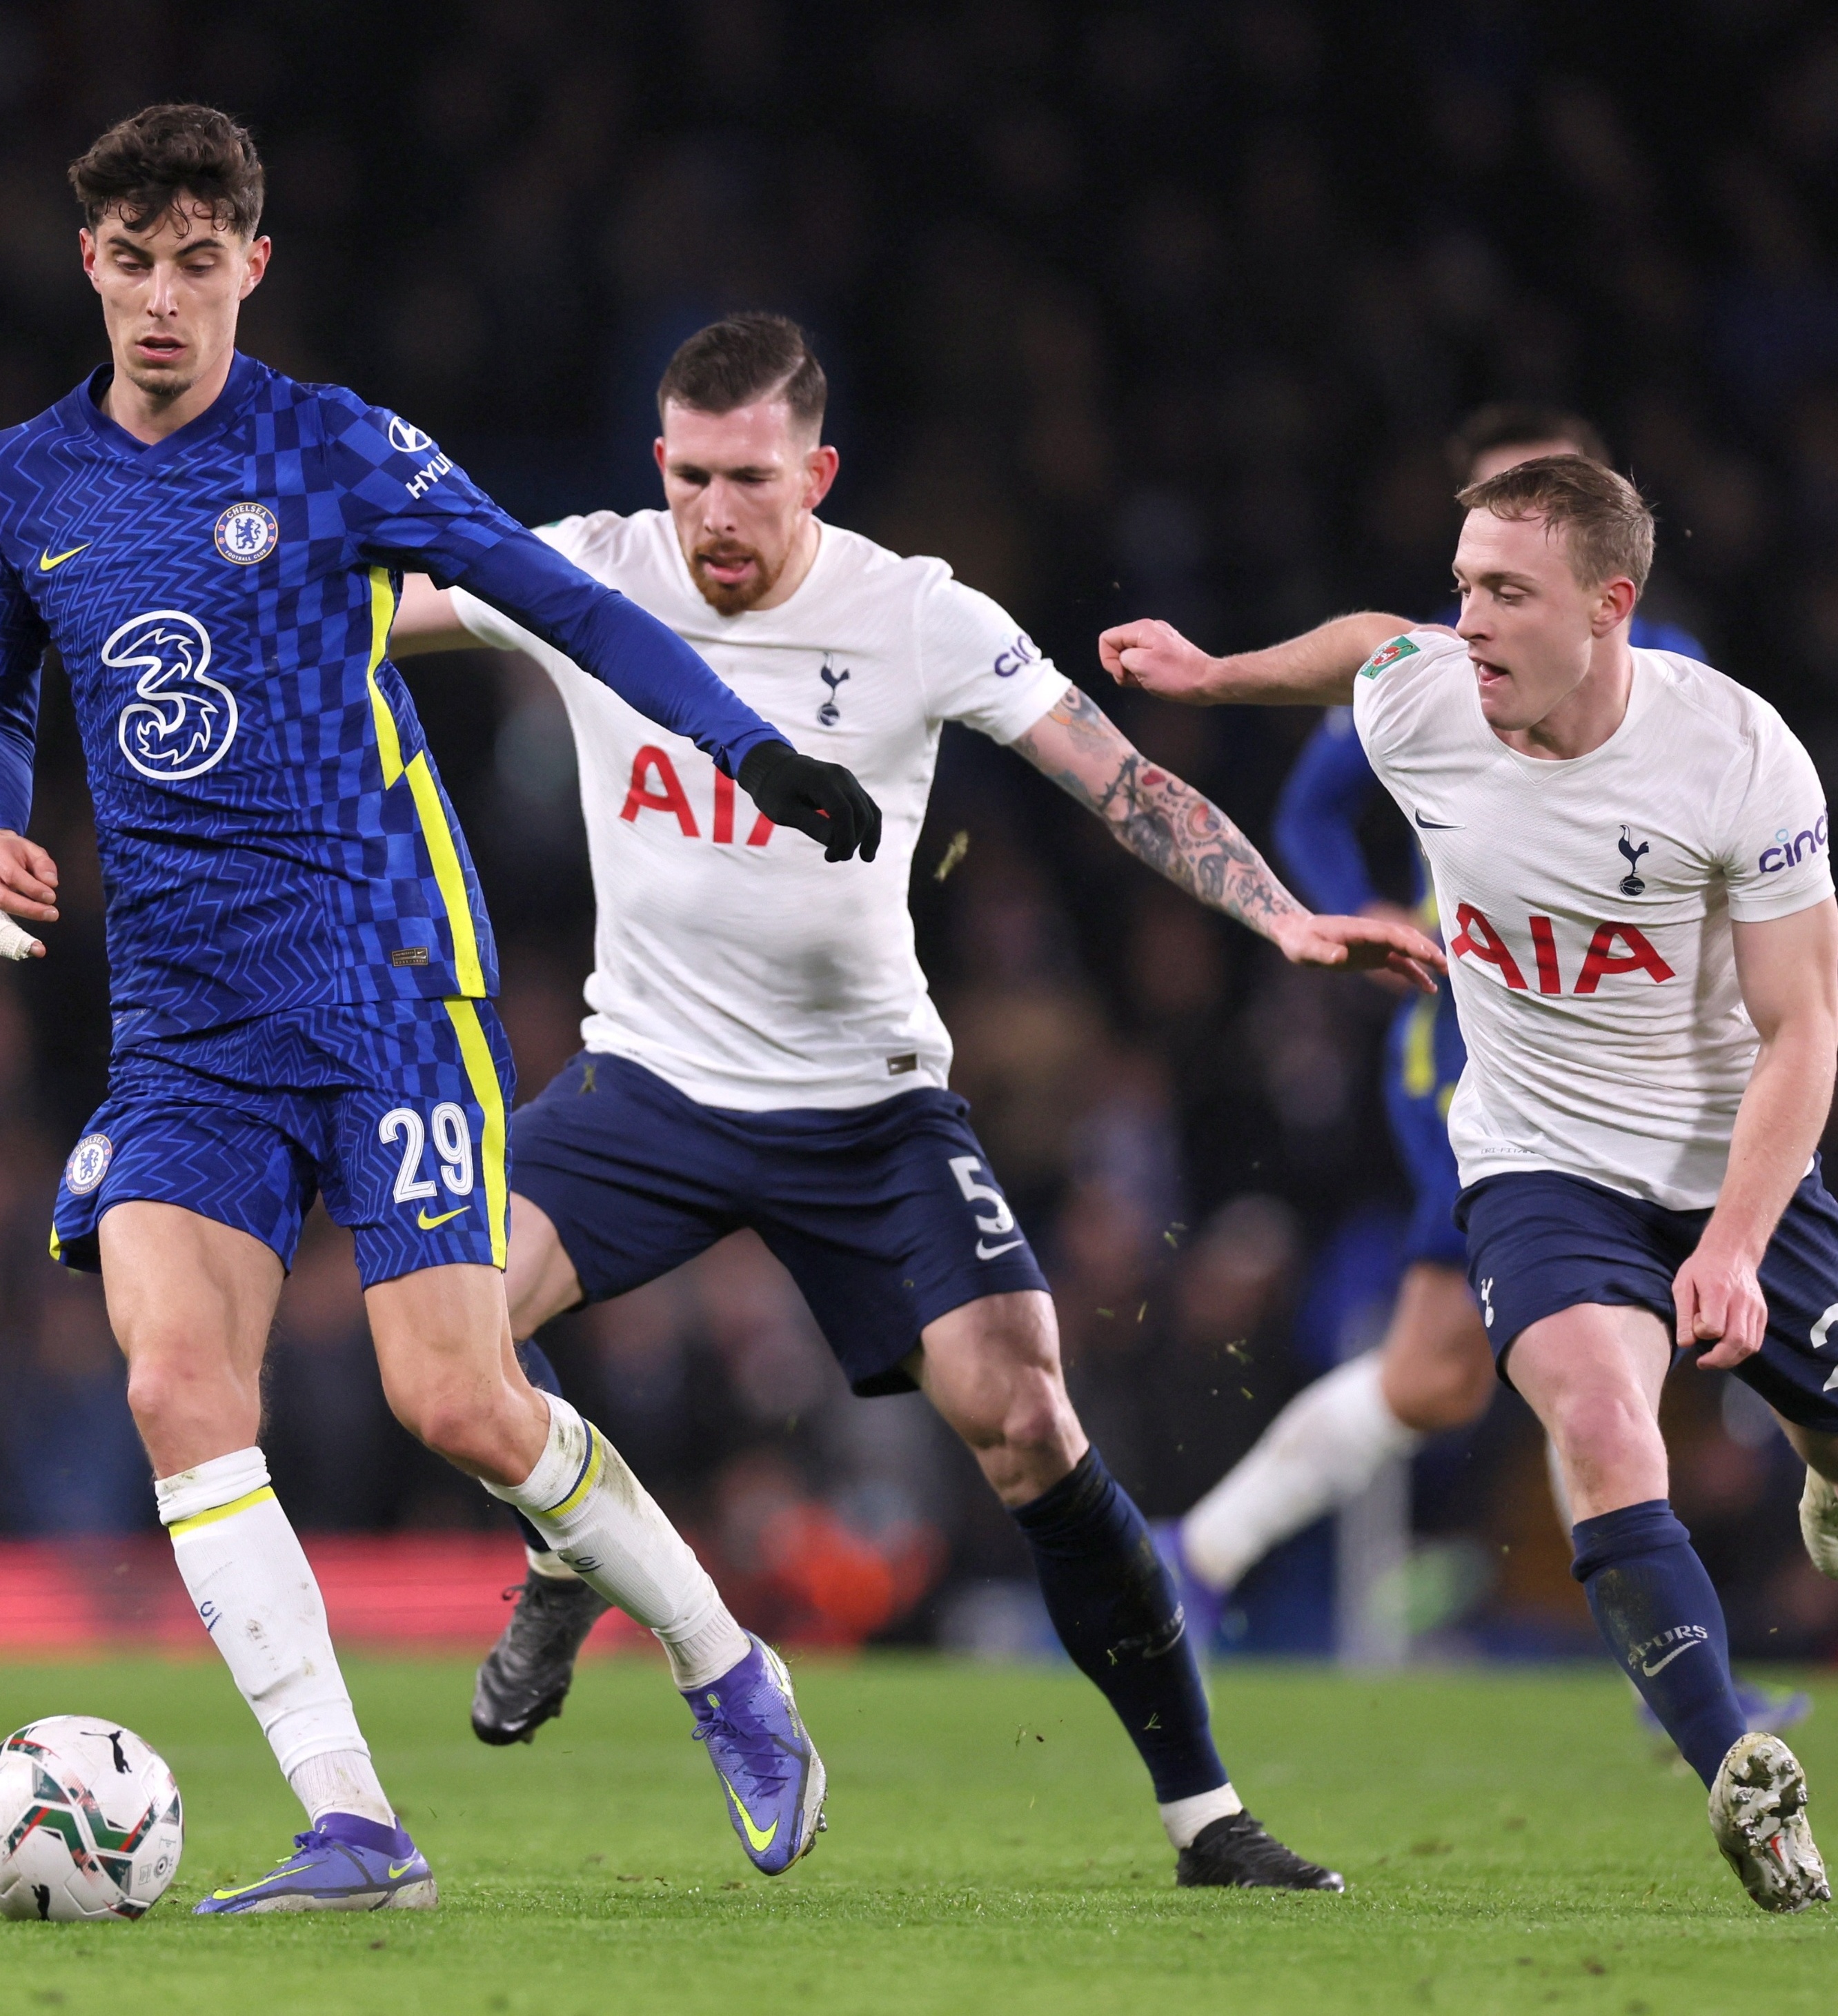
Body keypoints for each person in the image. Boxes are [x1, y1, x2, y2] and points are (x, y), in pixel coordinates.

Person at [0, 109, 884, 1913]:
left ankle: (726, 1666)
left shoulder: (332, 446)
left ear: (252, 267)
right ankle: (354, 1823)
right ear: (91, 266)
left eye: (197, 261)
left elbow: (562, 602)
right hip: (186, 1022)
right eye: (132, 260)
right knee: (172, 1382)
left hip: (383, 981)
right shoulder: (16, 485)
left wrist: (753, 748)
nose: (162, 298)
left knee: (454, 1397)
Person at [390, 313, 1441, 1890]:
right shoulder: (590, 567)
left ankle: (1206, 1821)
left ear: (816, 470)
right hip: (647, 1086)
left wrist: (1280, 916)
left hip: (865, 1106)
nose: (713, 518)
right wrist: (101, 585)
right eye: (687, 477)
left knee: (1022, 1417)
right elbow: (355, 615)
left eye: (748, 480)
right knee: (440, 1327)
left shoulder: (914, 614)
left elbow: (1118, 780)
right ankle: (578, 1543)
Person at [1100, 453, 1838, 1913]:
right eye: (1465, 582)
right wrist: (1214, 674)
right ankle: (1733, 1759)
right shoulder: (1427, 700)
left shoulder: (1736, 755)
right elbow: (1368, 644)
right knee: (1604, 1428)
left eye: (1506, 592)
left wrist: (1734, 1246)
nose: (1466, 623)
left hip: (1728, 1168)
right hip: (1536, 1164)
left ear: (1610, 606)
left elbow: (1805, 1028)